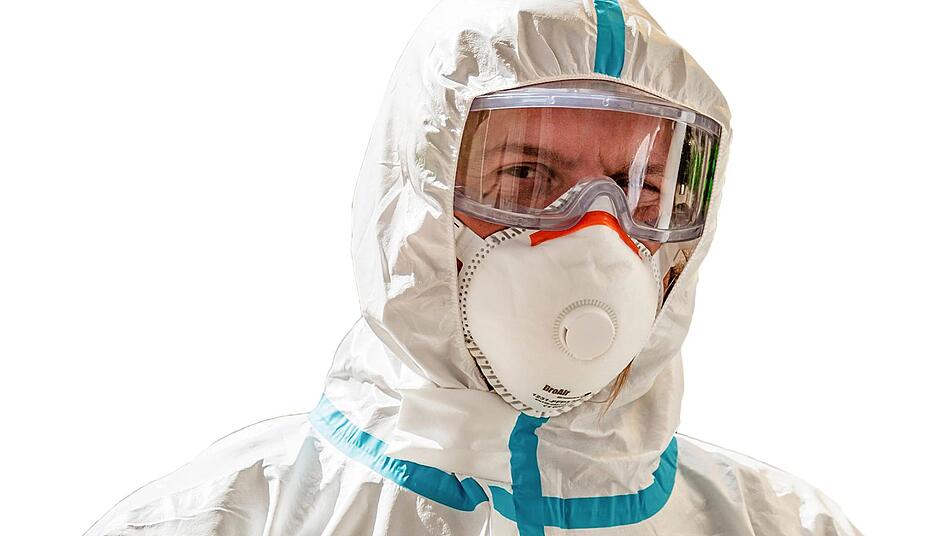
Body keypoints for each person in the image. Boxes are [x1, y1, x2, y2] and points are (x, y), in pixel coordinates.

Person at [84, 0, 862, 534]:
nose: (598, 236)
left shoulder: (784, 526)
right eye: (526, 176)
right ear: (416, 203)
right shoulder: (213, 522)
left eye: (639, 190)